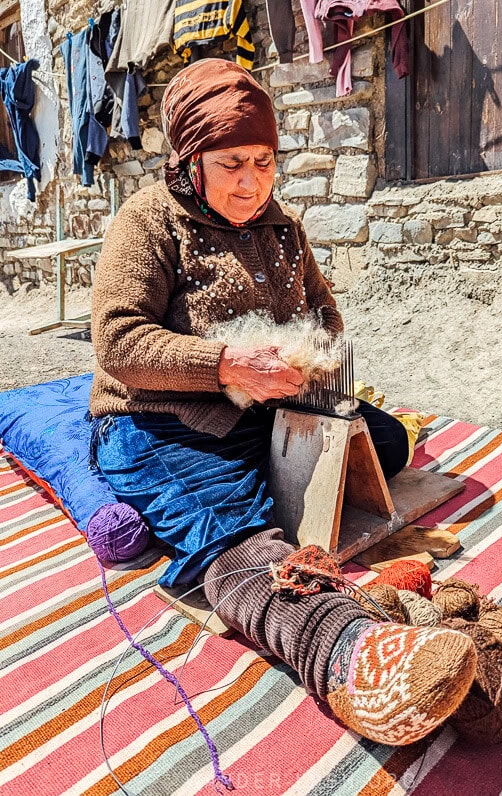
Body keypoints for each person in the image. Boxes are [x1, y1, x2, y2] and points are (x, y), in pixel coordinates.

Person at [89, 59, 477, 747]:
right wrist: (225, 363)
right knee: (233, 530)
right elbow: (118, 343)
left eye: (264, 162)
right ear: (189, 160)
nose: (251, 181)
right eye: (232, 162)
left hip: (263, 410)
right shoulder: (149, 221)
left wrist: (310, 363)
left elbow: (325, 318)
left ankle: (263, 486)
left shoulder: (283, 227)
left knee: (381, 441)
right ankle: (349, 653)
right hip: (162, 423)